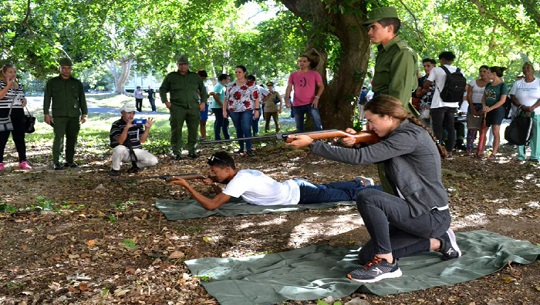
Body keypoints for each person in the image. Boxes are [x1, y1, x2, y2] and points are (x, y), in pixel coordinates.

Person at [287, 94, 461, 283]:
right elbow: (373, 151)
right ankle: (439, 243)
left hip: (430, 215)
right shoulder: (398, 134)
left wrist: (313, 145)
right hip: (415, 210)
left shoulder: (409, 136)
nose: (369, 126)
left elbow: (360, 158)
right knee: (367, 256)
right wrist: (358, 141)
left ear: (388, 117)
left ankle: (387, 264)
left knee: (368, 197)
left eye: (371, 120)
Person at [167, 151, 377, 210]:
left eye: (215, 171)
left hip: (299, 194)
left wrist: (187, 186)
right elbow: (225, 185)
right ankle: (358, 182)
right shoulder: (242, 175)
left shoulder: (237, 182)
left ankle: (369, 189)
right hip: (298, 186)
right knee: (328, 187)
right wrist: (213, 182)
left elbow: (212, 205)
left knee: (343, 196)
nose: (214, 175)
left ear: (228, 168)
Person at [364, 7, 418, 114]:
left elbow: (399, 98)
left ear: (389, 28)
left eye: (373, 27)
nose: (369, 32)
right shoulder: (384, 52)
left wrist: (386, 121)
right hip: (382, 112)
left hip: (393, 117)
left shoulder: (402, 53)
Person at [159, 55, 208, 159]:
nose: (183, 66)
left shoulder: (195, 77)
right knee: (176, 130)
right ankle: (176, 152)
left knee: (193, 129)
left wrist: (203, 102)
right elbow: (162, 89)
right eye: (181, 64)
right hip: (177, 107)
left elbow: (203, 91)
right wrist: (166, 102)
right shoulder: (171, 76)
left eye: (185, 64)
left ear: (188, 65)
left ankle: (192, 150)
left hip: (193, 107)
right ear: (177, 65)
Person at [44, 58, 88, 170]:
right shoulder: (52, 82)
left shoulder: (77, 83)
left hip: (74, 114)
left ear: (71, 69)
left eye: (68, 68)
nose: (66, 70)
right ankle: (57, 162)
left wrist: (84, 113)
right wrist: (46, 113)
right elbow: (47, 98)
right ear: (60, 68)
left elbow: (82, 99)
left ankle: (70, 160)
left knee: (72, 138)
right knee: (58, 138)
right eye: (64, 68)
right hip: (59, 115)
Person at [422, 51, 461, 158]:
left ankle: (438, 150)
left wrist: (424, 87)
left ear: (442, 59)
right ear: (452, 60)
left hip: (438, 103)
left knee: (437, 127)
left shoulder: (437, 70)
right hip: (453, 103)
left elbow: (427, 84)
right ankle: (449, 151)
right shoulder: (458, 70)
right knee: (451, 127)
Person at [109, 103, 158, 176]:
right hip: (123, 151)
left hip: (135, 150)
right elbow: (120, 141)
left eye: (133, 113)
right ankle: (115, 169)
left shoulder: (137, 124)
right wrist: (126, 128)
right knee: (119, 148)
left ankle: (135, 167)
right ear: (122, 113)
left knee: (153, 160)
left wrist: (147, 129)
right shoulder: (117, 124)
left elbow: (142, 141)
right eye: (128, 113)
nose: (131, 115)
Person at [223, 65, 260, 157]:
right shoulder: (230, 85)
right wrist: (224, 110)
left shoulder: (251, 85)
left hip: (246, 109)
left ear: (244, 73)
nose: (237, 74)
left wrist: (257, 110)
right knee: (238, 128)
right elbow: (226, 99)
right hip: (233, 110)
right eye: (236, 72)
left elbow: (256, 98)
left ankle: (249, 149)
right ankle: (241, 147)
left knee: (246, 127)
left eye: (239, 72)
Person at [0, 64, 31, 171]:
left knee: (19, 139)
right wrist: (8, 85)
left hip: (18, 113)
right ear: (4, 73)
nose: (12, 74)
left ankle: (23, 161)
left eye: (14, 72)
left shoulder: (19, 85)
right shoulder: (1, 83)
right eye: (10, 72)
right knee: (1, 139)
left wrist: (24, 100)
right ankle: (0, 163)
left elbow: (21, 97)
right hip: (4, 113)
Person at [284, 55, 324, 132]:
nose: (302, 63)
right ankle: (302, 142)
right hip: (297, 105)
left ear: (309, 63)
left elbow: (321, 86)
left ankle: (319, 142)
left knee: (318, 124)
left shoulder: (314, 74)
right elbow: (289, 87)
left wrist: (317, 97)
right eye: (300, 61)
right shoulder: (293, 75)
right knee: (299, 127)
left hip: (311, 103)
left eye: (304, 61)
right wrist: (286, 100)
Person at [509, 62, 540, 162]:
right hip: (521, 112)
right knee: (520, 132)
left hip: (536, 112)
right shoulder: (518, 83)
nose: (526, 70)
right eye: (524, 68)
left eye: (528, 68)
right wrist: (522, 106)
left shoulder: (538, 82)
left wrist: (532, 107)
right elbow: (512, 96)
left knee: (536, 133)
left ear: (533, 70)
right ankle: (521, 155)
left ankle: (535, 155)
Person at [479, 66, 508, 160]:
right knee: (483, 130)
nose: (487, 74)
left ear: (494, 74)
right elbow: (484, 97)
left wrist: (491, 108)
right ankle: (480, 151)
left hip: (497, 110)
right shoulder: (488, 85)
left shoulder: (502, 85)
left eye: (488, 72)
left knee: (495, 131)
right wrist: (484, 106)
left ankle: (493, 153)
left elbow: (502, 100)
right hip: (487, 110)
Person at [466, 65, 490, 153]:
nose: (482, 73)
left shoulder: (490, 84)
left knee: (482, 128)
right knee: (471, 127)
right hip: (473, 105)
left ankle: (480, 149)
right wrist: (472, 107)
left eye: (484, 71)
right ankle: (469, 148)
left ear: (488, 72)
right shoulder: (473, 82)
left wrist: (483, 108)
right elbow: (469, 95)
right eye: (481, 71)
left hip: (484, 107)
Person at [414, 58, 436, 126]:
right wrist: (424, 91)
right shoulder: (422, 80)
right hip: (425, 107)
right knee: (424, 126)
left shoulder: (439, 79)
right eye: (424, 66)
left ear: (434, 66)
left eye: (428, 66)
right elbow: (417, 94)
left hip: (437, 107)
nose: (426, 68)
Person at [210, 74, 230, 140]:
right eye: (228, 79)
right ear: (223, 79)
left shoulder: (223, 86)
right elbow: (215, 95)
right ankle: (217, 138)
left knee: (225, 122)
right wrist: (221, 105)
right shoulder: (219, 86)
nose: (228, 81)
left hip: (222, 107)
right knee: (219, 122)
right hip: (218, 107)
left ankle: (227, 137)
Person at [197, 70, 210, 141]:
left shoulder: (204, 86)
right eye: (202, 78)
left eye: (204, 78)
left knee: (203, 122)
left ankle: (203, 137)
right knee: (195, 122)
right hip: (195, 104)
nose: (203, 79)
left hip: (204, 105)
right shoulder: (193, 85)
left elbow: (205, 96)